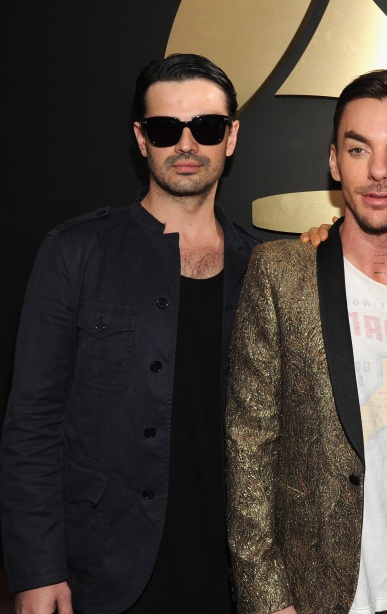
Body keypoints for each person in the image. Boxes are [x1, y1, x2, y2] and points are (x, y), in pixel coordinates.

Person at [1, 53, 260, 613]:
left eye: (207, 127)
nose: (186, 144)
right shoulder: (76, 253)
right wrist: (36, 570)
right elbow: (32, 424)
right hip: (105, 573)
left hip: (234, 579)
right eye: (166, 129)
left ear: (231, 137)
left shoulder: (263, 269)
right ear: (142, 138)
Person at [225, 69, 387, 614]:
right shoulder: (280, 275)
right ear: (333, 161)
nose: (378, 171)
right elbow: (249, 447)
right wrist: (268, 601)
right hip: (308, 597)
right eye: (358, 149)